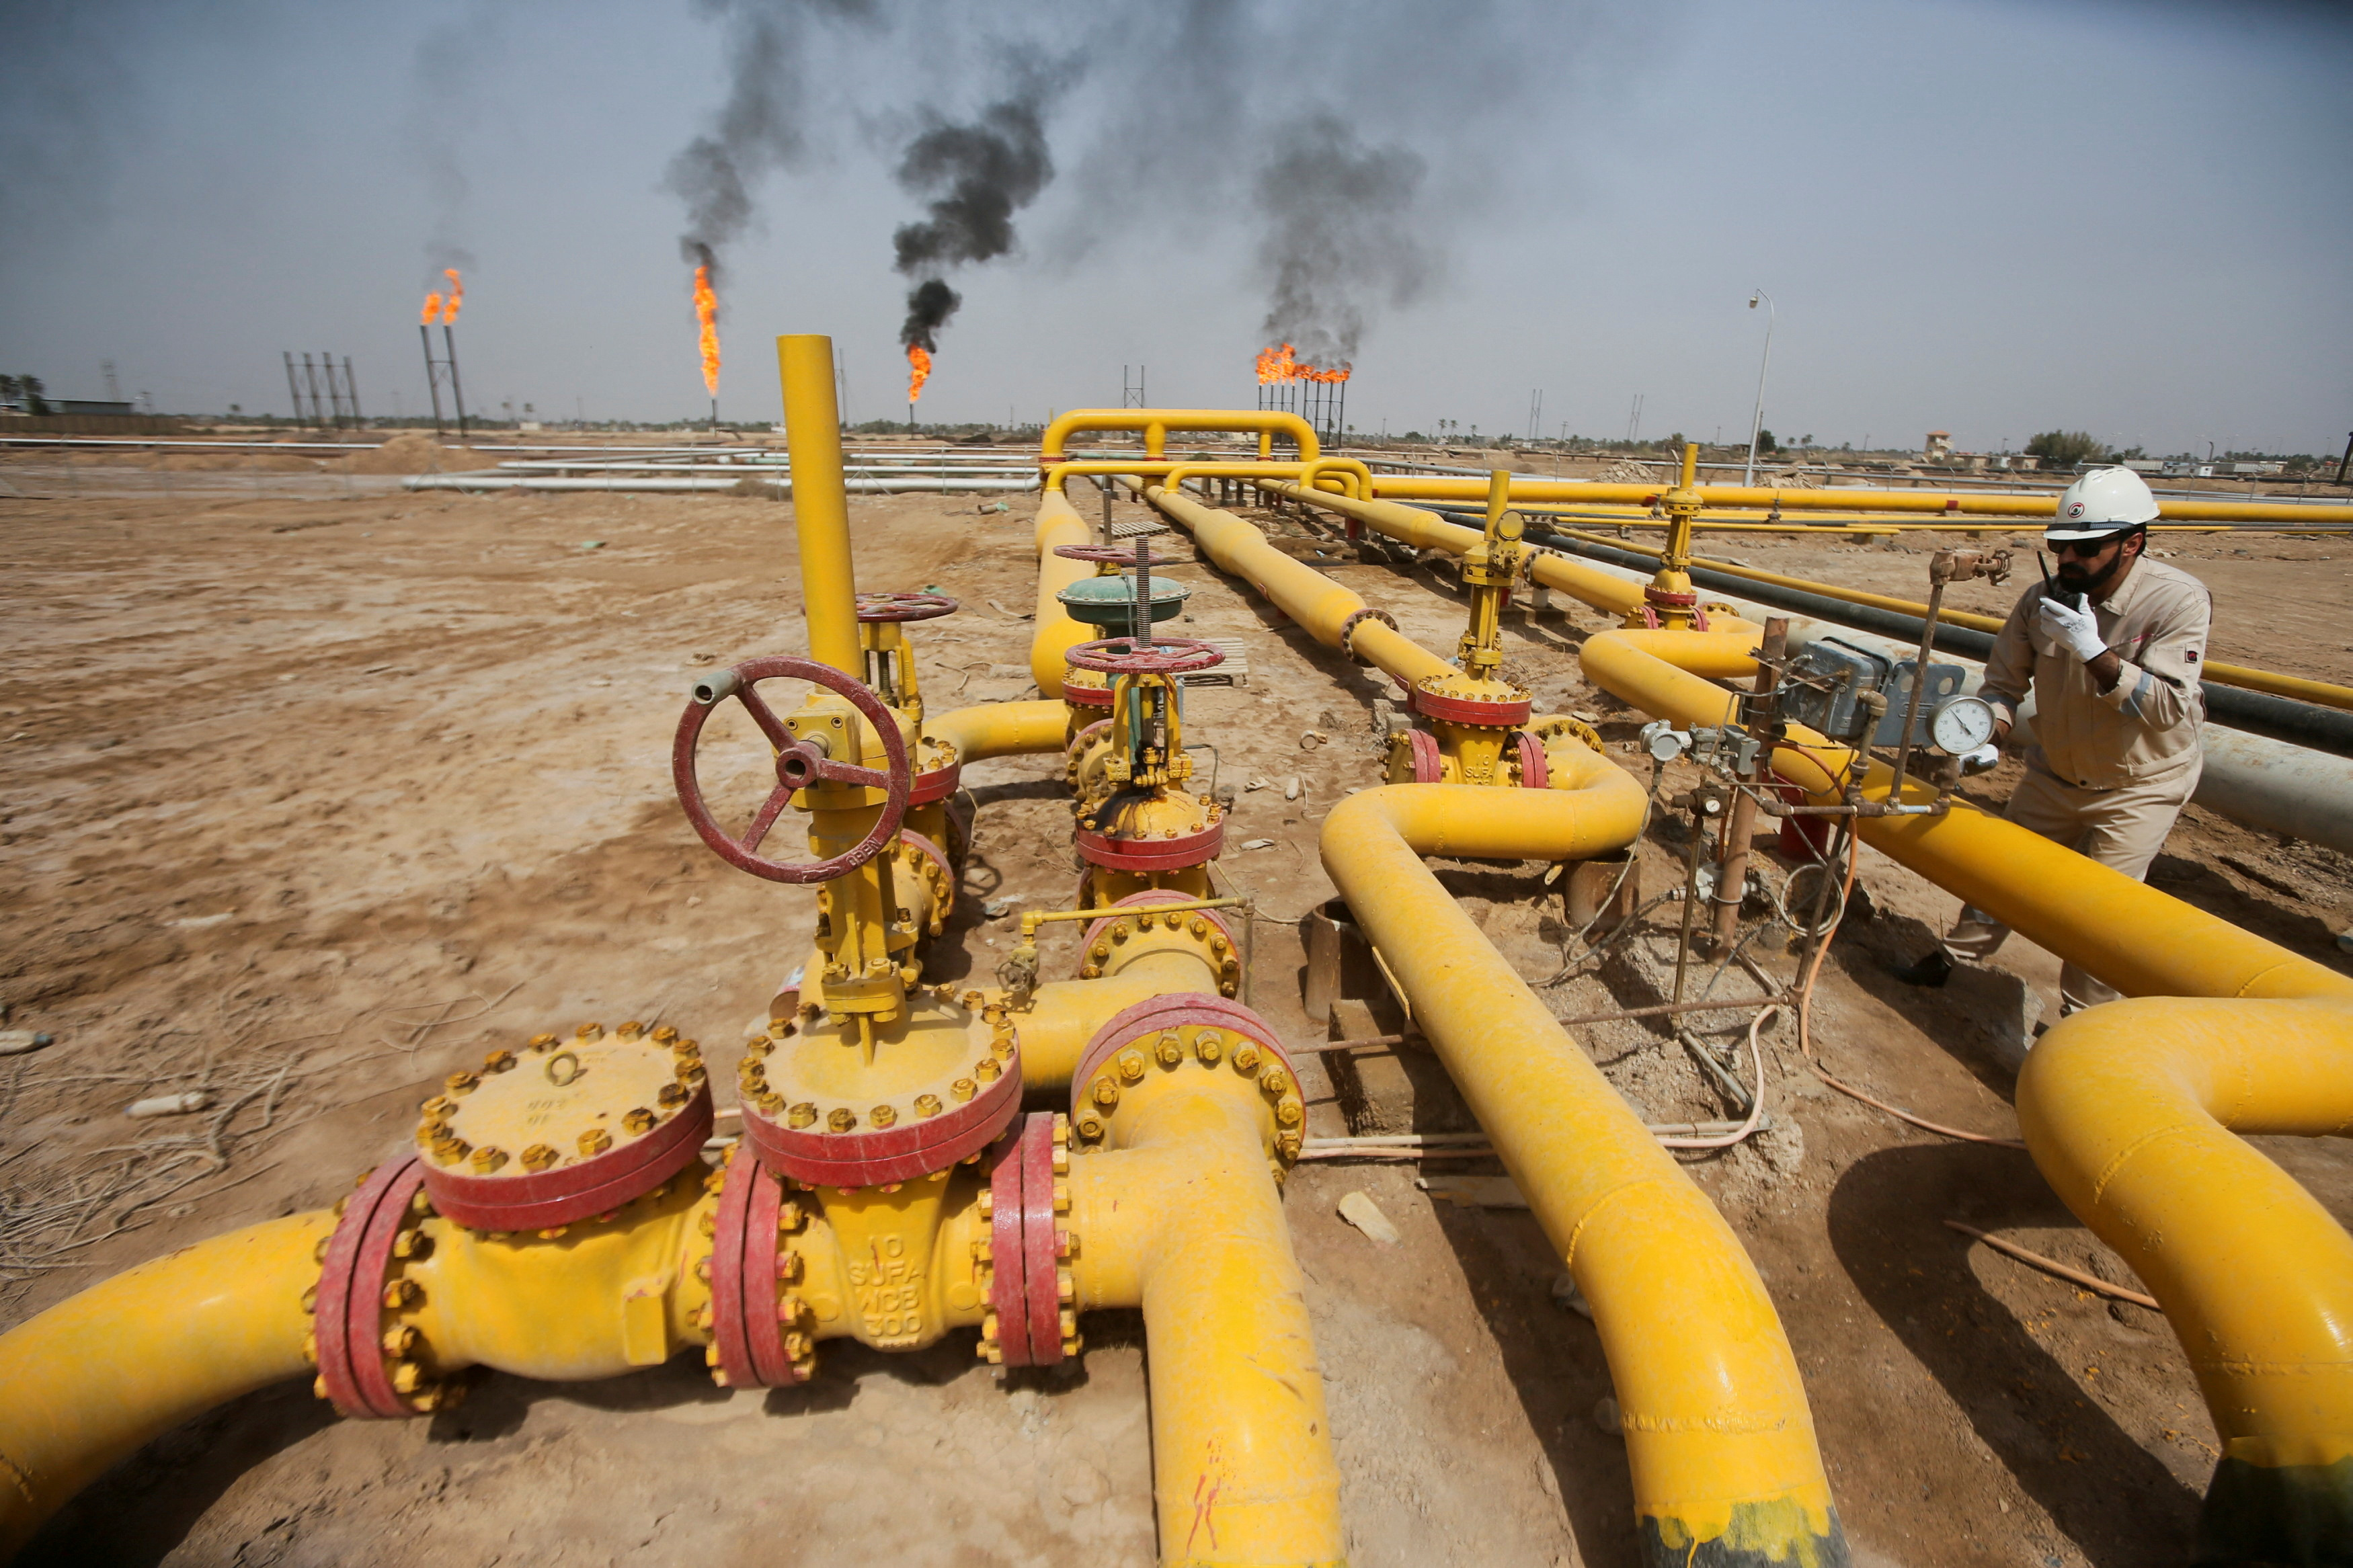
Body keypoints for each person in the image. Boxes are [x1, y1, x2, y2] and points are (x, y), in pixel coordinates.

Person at [1895, 466, 2210, 1016]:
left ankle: (2083, 1018)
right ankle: (1954, 957)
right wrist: (1988, 734)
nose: (2068, 559)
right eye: (2060, 545)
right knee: (2006, 874)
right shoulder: (2039, 601)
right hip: (2056, 771)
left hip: (2138, 784)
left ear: (2131, 543)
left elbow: (2167, 708)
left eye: (2085, 548)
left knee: (2102, 910)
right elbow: (2003, 685)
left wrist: (2092, 650)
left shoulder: (2175, 602)